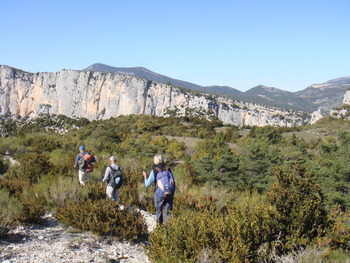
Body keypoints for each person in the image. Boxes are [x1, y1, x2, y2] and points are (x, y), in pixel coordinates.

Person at [142, 154, 175, 224]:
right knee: (168, 214)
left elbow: (147, 184)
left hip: (159, 194)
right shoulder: (168, 169)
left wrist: (145, 176)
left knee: (159, 212)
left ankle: (159, 229)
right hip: (169, 193)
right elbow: (173, 182)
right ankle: (167, 230)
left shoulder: (155, 170)